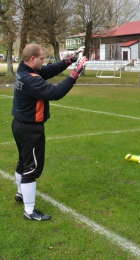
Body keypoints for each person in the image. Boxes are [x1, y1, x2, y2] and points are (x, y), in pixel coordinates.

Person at [12, 43, 88, 221]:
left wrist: (69, 60)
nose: (44, 61)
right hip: (30, 129)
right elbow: (55, 92)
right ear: (32, 59)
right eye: (41, 58)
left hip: (19, 125)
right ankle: (29, 211)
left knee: (23, 162)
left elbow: (47, 71)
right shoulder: (31, 79)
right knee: (32, 168)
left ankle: (20, 193)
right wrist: (75, 73)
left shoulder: (24, 70)